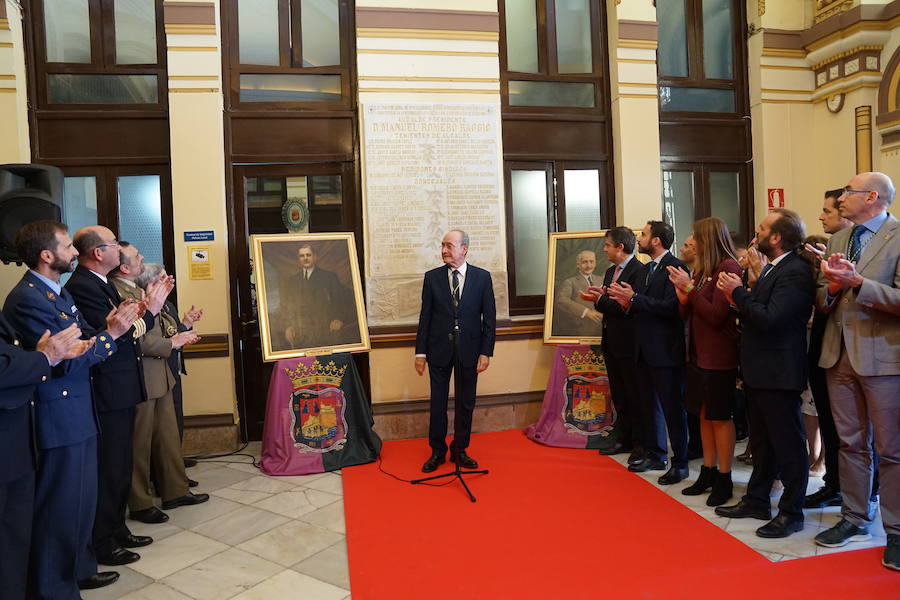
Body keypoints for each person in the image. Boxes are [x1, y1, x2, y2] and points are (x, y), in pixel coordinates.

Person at [3, 220, 139, 596]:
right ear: (47, 255)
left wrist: (101, 337)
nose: (75, 254)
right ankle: (54, 586)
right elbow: (61, 361)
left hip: (79, 408)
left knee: (80, 502)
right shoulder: (28, 298)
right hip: (57, 414)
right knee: (59, 507)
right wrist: (108, 337)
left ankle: (78, 568)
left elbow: (83, 343)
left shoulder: (57, 294)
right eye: (67, 248)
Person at [65, 226, 173, 567]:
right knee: (109, 468)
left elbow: (127, 329)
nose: (119, 249)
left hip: (122, 386)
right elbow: (120, 335)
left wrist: (145, 309)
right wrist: (150, 310)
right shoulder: (84, 287)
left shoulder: (100, 284)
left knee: (120, 464)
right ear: (99, 253)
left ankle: (115, 529)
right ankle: (103, 540)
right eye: (113, 244)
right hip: (107, 388)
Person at [813, 172, 899, 572]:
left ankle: (895, 532)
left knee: (891, 450)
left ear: (872, 196)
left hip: (883, 359)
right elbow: (822, 296)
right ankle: (853, 517)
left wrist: (858, 281)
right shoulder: (838, 238)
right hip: (840, 355)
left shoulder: (897, 236)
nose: (841, 196)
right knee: (848, 444)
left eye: (848, 191)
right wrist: (830, 289)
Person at [715, 209, 815, 539]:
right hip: (760, 368)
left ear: (775, 238)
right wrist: (739, 299)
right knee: (762, 441)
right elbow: (754, 315)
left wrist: (737, 294)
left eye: (762, 228)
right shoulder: (773, 268)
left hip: (779, 370)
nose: (755, 233)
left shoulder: (796, 271)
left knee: (788, 444)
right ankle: (757, 499)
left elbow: (772, 319)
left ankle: (791, 511)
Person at [0, 308, 95, 600]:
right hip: (12, 434)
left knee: (13, 543)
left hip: (15, 437)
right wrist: (43, 358)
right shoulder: (26, 297)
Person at [110, 249, 207, 525]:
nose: (141, 258)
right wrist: (173, 343)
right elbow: (136, 338)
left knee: (167, 438)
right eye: (136, 256)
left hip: (160, 373)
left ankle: (175, 490)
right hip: (141, 375)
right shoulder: (117, 292)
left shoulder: (138, 290)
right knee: (139, 445)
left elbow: (161, 327)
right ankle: (140, 502)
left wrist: (181, 330)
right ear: (124, 268)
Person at [607, 221, 690, 485]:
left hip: (665, 349)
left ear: (656, 240)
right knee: (647, 404)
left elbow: (670, 308)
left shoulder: (675, 267)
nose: (639, 238)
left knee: (672, 409)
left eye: (643, 234)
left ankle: (680, 463)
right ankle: (656, 453)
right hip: (642, 347)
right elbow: (639, 304)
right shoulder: (646, 270)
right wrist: (626, 301)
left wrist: (634, 300)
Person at [668, 217, 742, 506]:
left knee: (719, 416)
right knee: (702, 413)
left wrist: (689, 290)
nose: (691, 243)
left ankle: (724, 475)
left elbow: (715, 315)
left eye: (695, 237)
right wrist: (684, 295)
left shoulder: (729, 267)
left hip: (718, 356)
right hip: (697, 353)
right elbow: (688, 312)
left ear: (708, 239)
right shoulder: (702, 270)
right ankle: (707, 471)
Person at [415, 229, 496, 473]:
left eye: (450, 246)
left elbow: (489, 320)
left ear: (464, 248)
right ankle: (437, 451)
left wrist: (486, 352)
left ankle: (460, 450)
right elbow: (425, 318)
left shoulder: (482, 278)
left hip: (470, 351)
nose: (444, 250)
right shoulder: (432, 278)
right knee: (438, 403)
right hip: (438, 350)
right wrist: (420, 353)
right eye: (442, 245)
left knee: (465, 403)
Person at [803, 189, 853, 509]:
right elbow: (822, 301)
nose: (821, 217)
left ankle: (853, 488)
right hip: (824, 348)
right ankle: (833, 482)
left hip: (851, 352)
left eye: (827, 211)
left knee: (848, 430)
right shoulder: (831, 248)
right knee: (828, 419)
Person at [585, 228, 644, 463]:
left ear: (620, 247)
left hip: (630, 344)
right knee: (619, 394)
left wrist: (601, 300)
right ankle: (623, 437)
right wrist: (598, 299)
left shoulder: (639, 271)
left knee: (634, 394)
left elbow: (625, 308)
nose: (604, 249)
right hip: (610, 341)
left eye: (607, 245)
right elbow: (609, 306)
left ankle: (640, 442)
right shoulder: (611, 271)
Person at [281, 243, 356, 351]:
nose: (305, 258)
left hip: (325, 330)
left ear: (315, 257)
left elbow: (342, 301)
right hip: (300, 333)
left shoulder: (329, 277)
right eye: (302, 256)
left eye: (308, 255)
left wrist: (339, 319)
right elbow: (286, 306)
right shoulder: (292, 281)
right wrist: (288, 326)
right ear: (298, 259)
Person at [551, 249, 603, 338]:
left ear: (595, 263)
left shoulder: (601, 279)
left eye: (591, 262)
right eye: (584, 262)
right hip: (580, 331)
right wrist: (585, 312)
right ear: (578, 264)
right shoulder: (570, 282)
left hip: (602, 330)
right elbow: (561, 300)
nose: (589, 265)